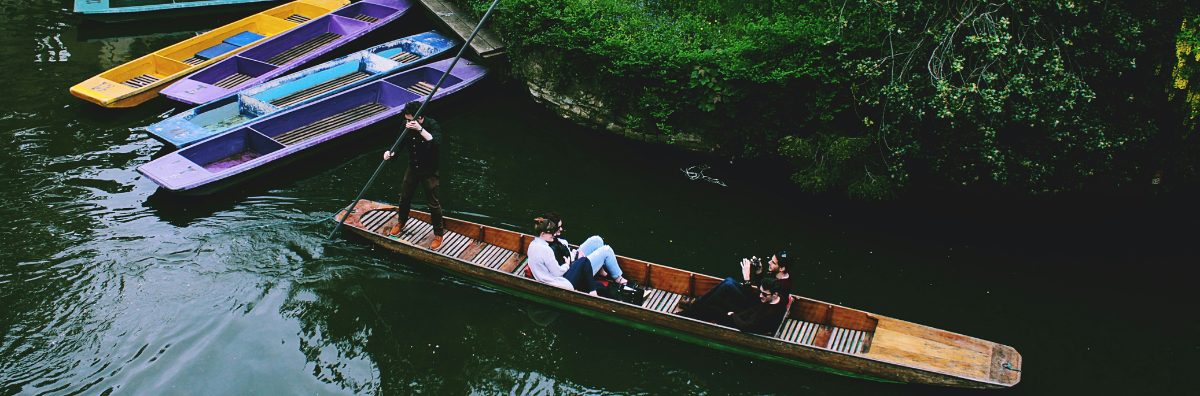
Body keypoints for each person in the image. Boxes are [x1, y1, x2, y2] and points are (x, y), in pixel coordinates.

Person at [383, 101, 445, 250]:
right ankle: (401, 222)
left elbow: (436, 142)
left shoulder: (432, 124)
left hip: (429, 170)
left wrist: (420, 129)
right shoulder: (406, 124)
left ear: (420, 118)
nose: (408, 122)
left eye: (411, 120)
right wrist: (390, 153)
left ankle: (438, 234)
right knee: (404, 196)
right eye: (407, 119)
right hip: (413, 168)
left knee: (433, 202)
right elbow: (398, 144)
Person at [526, 214, 629, 295]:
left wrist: (574, 254)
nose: (560, 229)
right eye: (557, 227)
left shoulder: (550, 241)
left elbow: (564, 255)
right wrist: (573, 261)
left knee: (596, 240)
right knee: (606, 250)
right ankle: (618, 279)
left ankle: (601, 271)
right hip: (569, 272)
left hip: (571, 262)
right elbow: (558, 269)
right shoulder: (547, 248)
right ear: (544, 233)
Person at [678, 251, 792, 317]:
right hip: (756, 300)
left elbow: (763, 302)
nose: (769, 263)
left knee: (727, 287)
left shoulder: (782, 286)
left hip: (754, 309)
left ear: (782, 268)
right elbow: (762, 287)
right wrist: (759, 271)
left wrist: (747, 278)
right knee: (729, 281)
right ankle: (697, 303)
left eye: (773, 262)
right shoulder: (776, 275)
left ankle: (694, 307)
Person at [716, 278, 790, 335]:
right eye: (760, 292)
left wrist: (733, 315)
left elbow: (745, 327)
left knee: (715, 309)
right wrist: (747, 281)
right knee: (728, 282)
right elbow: (755, 301)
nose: (760, 295)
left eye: (764, 294)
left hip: (749, 327)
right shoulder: (779, 298)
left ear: (775, 294)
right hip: (750, 315)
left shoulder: (768, 313)